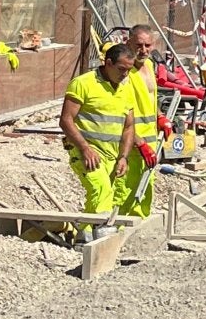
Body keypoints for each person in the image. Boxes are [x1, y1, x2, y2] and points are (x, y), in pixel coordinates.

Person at [58, 43, 138, 237]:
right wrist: (85, 148)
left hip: (112, 155)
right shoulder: (83, 83)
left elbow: (129, 128)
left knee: (101, 196)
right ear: (108, 63)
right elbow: (66, 120)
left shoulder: (126, 88)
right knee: (101, 190)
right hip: (86, 152)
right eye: (121, 69)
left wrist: (123, 157)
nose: (125, 75)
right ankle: (101, 238)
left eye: (129, 70)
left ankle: (82, 236)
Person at [113, 24, 169, 218]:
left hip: (150, 140)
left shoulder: (149, 65)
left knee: (146, 186)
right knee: (125, 188)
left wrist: (159, 116)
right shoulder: (124, 72)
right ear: (127, 42)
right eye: (139, 45)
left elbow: (149, 98)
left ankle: (138, 225)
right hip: (131, 141)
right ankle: (116, 226)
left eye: (148, 45)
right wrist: (138, 141)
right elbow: (117, 112)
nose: (143, 50)